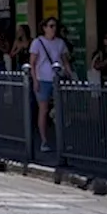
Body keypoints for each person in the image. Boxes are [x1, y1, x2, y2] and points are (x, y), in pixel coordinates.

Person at [30, 16, 72, 153]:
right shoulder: (38, 42)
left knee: (61, 110)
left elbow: (65, 61)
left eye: (55, 26)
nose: (53, 29)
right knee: (44, 109)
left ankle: (63, 141)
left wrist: (69, 75)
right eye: (51, 26)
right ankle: (44, 140)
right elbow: (33, 63)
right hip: (43, 79)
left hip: (57, 79)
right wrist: (35, 80)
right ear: (44, 28)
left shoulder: (60, 43)